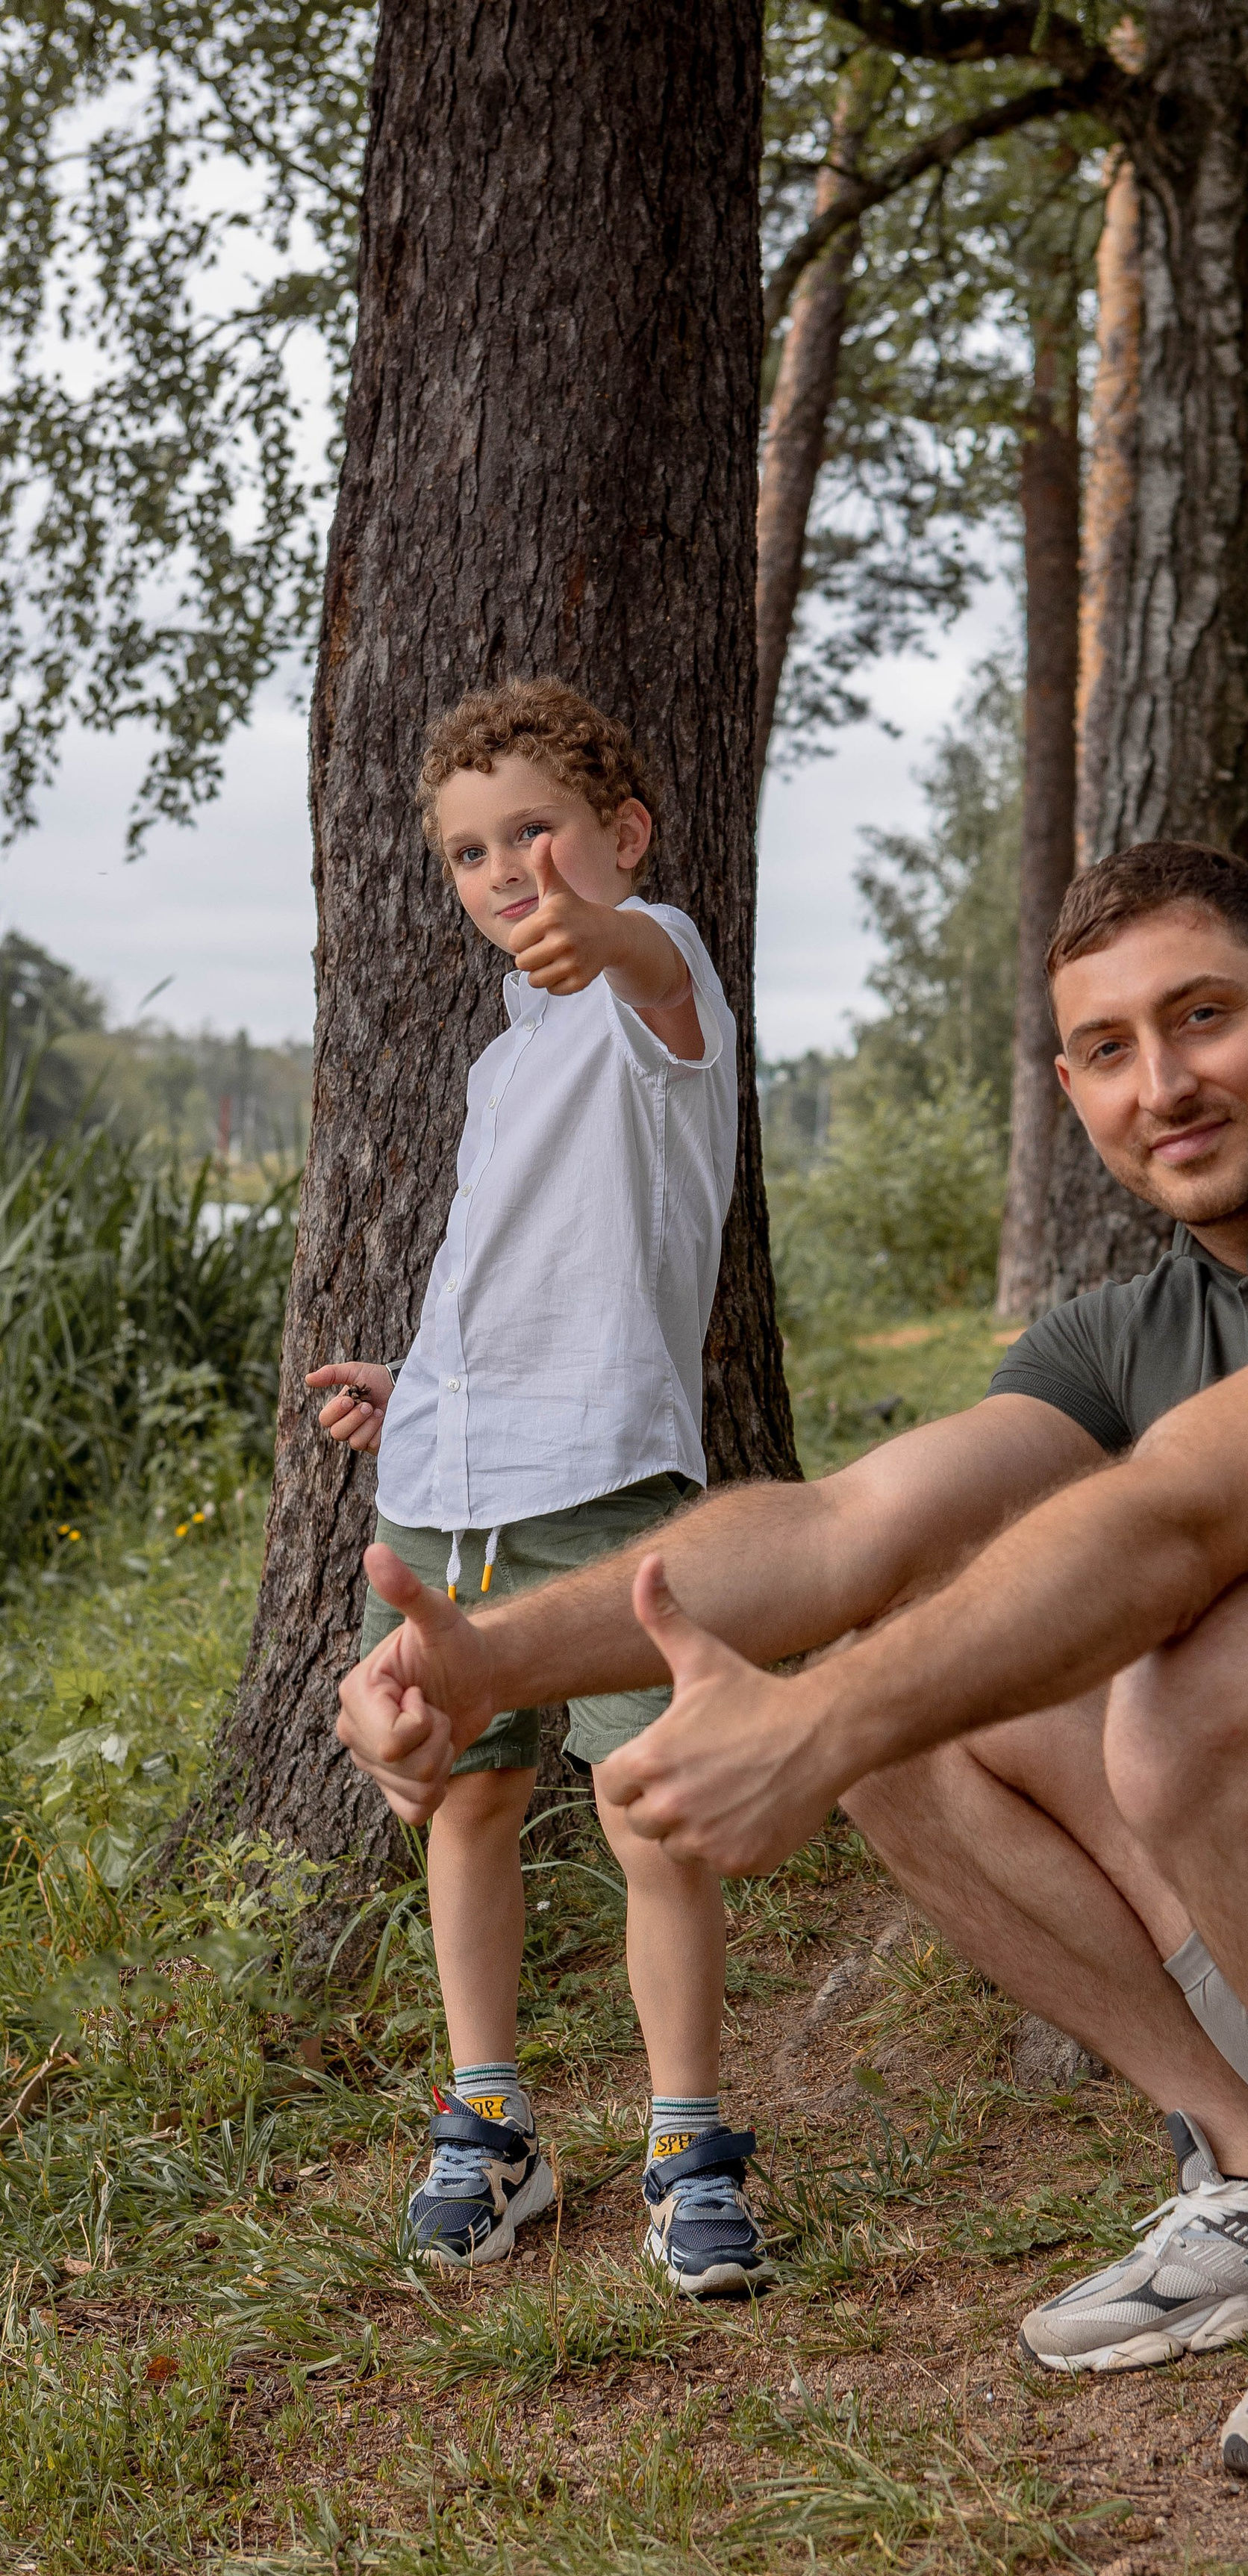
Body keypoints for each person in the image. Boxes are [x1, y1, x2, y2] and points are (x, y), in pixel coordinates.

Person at [337, 839, 1248, 2480]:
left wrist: (811, 1726)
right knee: (910, 1675)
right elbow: (836, 1531)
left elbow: (1187, 1517)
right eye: (1109, 1050)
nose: (1162, 1082)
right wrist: (488, 1662)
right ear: (1068, 1085)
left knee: (1203, 1664)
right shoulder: (1126, 1332)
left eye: (1203, 1018)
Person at [308, 676, 763, 2292]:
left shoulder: (662, 977)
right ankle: (488, 2122)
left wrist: (618, 933)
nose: (506, 874)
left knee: (648, 1808)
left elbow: (651, 968)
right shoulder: (508, 1058)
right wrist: (408, 1384)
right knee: (469, 1791)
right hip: (450, 1480)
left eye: (536, 835)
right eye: (468, 853)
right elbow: (501, 1275)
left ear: (619, 836)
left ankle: (688, 2138)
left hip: (607, 1479)